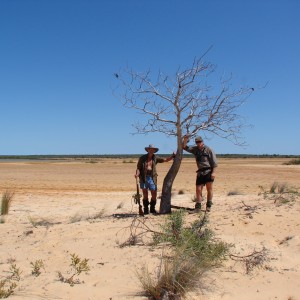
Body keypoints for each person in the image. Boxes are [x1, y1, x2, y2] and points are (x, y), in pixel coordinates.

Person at [135, 144, 175, 214]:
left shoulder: (155, 158)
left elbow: (165, 160)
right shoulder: (142, 158)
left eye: (153, 149)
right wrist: (137, 174)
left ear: (154, 151)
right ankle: (146, 209)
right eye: (150, 149)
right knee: (145, 194)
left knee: (154, 193)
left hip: (152, 178)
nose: (151, 150)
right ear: (147, 150)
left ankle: (152, 208)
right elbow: (138, 168)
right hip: (143, 178)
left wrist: (172, 156)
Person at [182, 136, 218, 212]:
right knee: (198, 189)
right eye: (197, 142)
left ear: (202, 141)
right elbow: (184, 147)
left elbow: (214, 163)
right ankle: (198, 207)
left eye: (200, 142)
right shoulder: (195, 149)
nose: (198, 143)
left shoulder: (209, 149)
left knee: (209, 189)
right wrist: (185, 139)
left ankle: (208, 206)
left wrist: (214, 172)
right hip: (200, 172)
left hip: (208, 171)